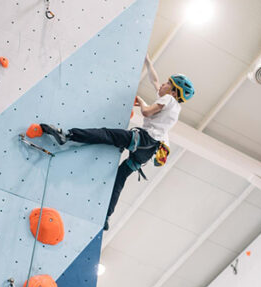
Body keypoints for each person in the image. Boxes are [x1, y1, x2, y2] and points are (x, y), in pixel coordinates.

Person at [38, 54, 194, 231]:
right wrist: (148, 62)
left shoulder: (168, 99)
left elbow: (147, 113)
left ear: (174, 92)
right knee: (120, 178)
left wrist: (141, 101)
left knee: (107, 134)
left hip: (144, 139)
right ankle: (106, 217)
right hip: (148, 151)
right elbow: (155, 80)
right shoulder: (174, 106)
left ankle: (67, 135)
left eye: (168, 84)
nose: (163, 85)